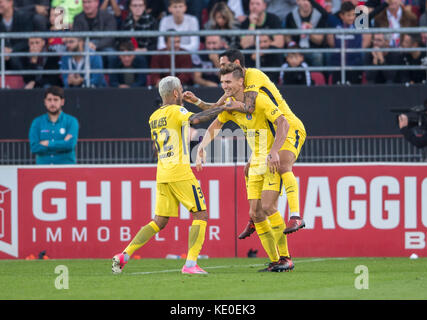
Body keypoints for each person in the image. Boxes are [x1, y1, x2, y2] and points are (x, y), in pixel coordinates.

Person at [184, 48, 307, 237]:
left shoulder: (254, 76)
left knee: (282, 164)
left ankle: (297, 215)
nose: (222, 69)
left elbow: (248, 107)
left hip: (288, 127)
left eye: (224, 65)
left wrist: (227, 106)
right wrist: (198, 102)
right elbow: (218, 109)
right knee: (248, 170)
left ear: (237, 66)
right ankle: (255, 217)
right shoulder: (233, 87)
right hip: (269, 136)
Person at [111, 76, 226, 275]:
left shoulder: (154, 116)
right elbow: (197, 119)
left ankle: (124, 255)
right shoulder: (177, 110)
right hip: (179, 170)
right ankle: (190, 265)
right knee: (201, 214)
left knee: (159, 220)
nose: (182, 92)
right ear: (175, 93)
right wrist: (225, 108)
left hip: (162, 171)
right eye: (181, 90)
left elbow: (158, 145)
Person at [195, 63, 295, 272]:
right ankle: (276, 260)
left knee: (268, 207)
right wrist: (201, 147)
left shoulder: (259, 99)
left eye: (228, 82)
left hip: (270, 159)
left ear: (241, 81)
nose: (225, 86)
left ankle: (286, 257)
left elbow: (283, 123)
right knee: (256, 213)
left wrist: (275, 150)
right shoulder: (230, 105)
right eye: (222, 82)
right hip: (255, 160)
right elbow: (215, 125)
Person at [29, 86, 79, 165]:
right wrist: (62, 143)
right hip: (43, 170)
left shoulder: (72, 121)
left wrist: (48, 143)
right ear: (45, 102)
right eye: (49, 100)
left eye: (56, 100)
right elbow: (34, 148)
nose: (52, 103)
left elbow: (70, 144)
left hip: (66, 170)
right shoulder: (37, 122)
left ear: (62, 102)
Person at [326, 1, 371, 84]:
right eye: (348, 15)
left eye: (353, 15)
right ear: (341, 15)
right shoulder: (336, 25)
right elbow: (331, 42)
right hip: (337, 63)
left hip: (355, 64)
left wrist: (356, 51)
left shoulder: (359, 24)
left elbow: (367, 39)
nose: (351, 18)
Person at [72, 0, 117, 67]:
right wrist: (86, 43)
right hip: (84, 46)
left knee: (113, 55)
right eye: (84, 2)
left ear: (97, 3)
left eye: (89, 2)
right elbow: (76, 37)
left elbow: (110, 37)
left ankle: (112, 77)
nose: (86, 5)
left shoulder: (108, 17)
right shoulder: (77, 18)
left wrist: (95, 45)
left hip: (103, 46)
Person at [284, 0, 328, 67]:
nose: (306, 3)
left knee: (317, 55)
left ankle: (317, 77)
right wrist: (293, 48)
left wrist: (309, 31)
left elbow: (320, 41)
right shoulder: (290, 16)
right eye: (303, 0)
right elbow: (287, 37)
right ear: (297, 1)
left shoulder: (320, 15)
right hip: (296, 49)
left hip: (313, 49)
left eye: (308, 0)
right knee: (286, 55)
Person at [0, 0, 34, 70]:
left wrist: (11, 50)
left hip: (20, 56)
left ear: (10, 2)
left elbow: (27, 40)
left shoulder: (24, 17)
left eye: (0, 2)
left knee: (15, 58)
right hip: (2, 54)